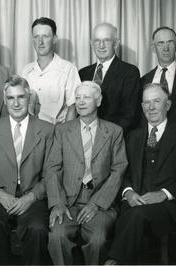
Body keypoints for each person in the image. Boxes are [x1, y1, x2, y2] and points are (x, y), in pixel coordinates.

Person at [105, 83, 176, 265]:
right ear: (142, 107)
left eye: (157, 101)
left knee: (137, 216)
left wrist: (162, 194)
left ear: (168, 105)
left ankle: (114, 261)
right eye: (147, 103)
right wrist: (128, 193)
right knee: (129, 214)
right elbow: (122, 173)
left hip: (172, 206)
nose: (151, 107)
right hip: (137, 200)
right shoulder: (132, 137)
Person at [46, 81, 128, 265]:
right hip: (68, 202)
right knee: (57, 237)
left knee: (98, 240)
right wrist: (58, 203)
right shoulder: (62, 130)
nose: (81, 102)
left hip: (100, 203)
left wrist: (96, 203)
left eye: (87, 97)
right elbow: (52, 168)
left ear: (98, 101)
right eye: (78, 98)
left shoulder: (114, 131)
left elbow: (118, 170)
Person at [0, 76, 54, 265]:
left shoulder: (47, 130)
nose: (16, 103)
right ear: (5, 100)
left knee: (37, 229)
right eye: (11, 98)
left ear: (29, 98)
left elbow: (51, 173)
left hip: (33, 195)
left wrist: (31, 197)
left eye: (21, 97)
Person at [79, 23, 140, 134]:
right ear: (92, 43)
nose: (101, 46)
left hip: (112, 138)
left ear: (116, 44)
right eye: (97, 41)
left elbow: (129, 115)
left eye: (106, 40)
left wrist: (103, 137)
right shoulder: (83, 73)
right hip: (84, 136)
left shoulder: (129, 72)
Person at [21, 17, 80, 125]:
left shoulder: (68, 69)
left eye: (45, 37)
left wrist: (65, 133)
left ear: (54, 39)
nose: (40, 42)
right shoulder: (26, 70)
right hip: (31, 133)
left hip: (57, 133)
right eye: (36, 37)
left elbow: (73, 107)